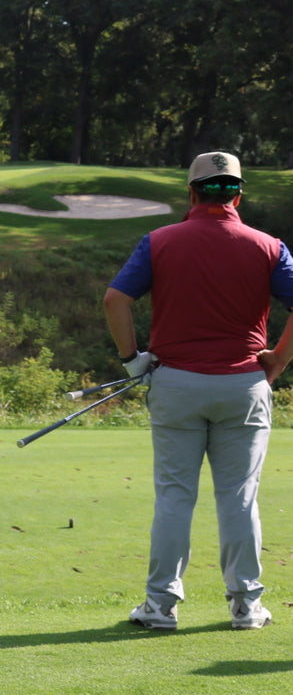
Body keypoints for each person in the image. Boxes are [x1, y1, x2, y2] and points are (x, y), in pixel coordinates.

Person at [104, 151, 293, 631]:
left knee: (174, 496)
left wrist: (132, 361)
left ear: (191, 193)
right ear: (237, 194)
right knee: (239, 497)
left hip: (176, 385)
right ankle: (247, 606)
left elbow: (115, 300)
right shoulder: (268, 245)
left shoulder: (159, 242)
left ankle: (160, 606)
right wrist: (280, 358)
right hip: (244, 386)